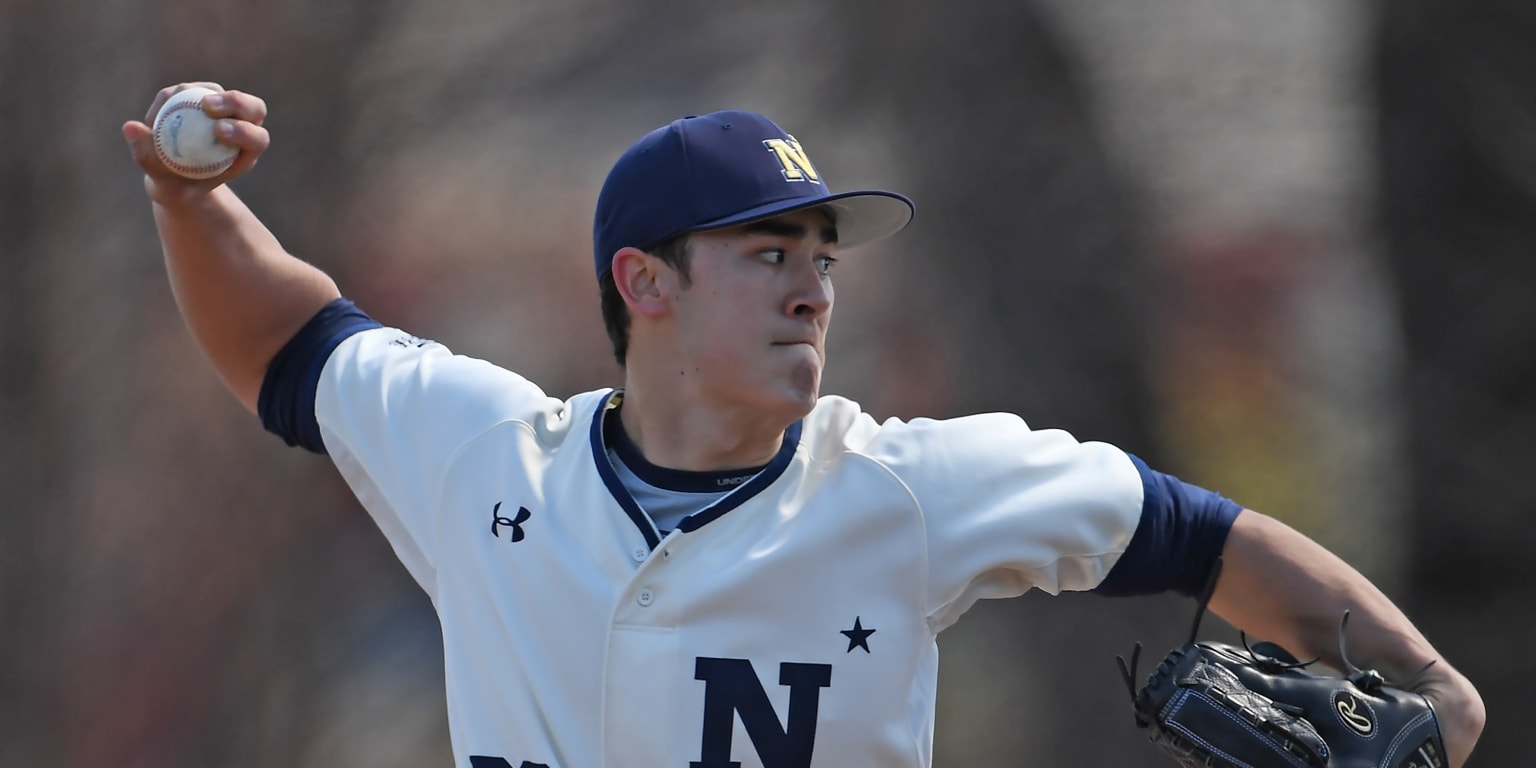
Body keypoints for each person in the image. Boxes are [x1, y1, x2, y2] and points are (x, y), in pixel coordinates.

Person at [123, 82, 1484, 768]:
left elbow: (1193, 532)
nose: (812, 287)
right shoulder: (485, 451)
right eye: (767, 253)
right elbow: (287, 339)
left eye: (824, 257)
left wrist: (1427, 690)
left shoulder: (911, 488)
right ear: (643, 283)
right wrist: (192, 204)